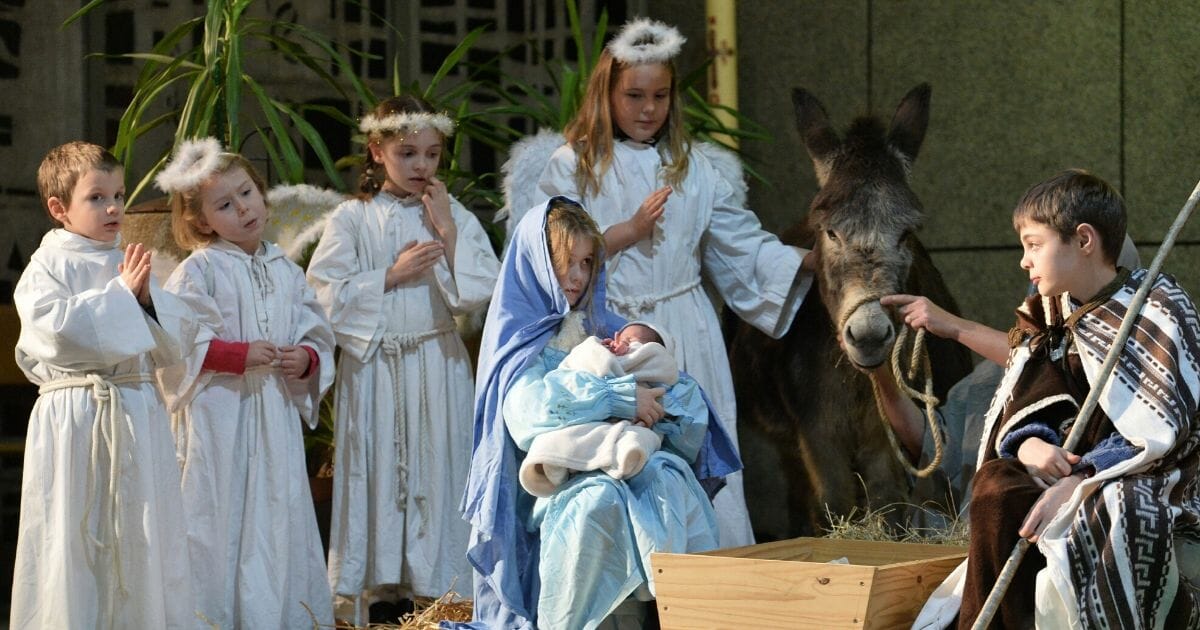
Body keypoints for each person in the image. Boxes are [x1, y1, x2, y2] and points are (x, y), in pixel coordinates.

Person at [536, 17, 814, 548]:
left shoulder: (694, 168)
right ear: (606, 93)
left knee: (694, 457)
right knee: (623, 457)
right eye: (634, 95)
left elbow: (741, 246)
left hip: (686, 331)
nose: (648, 109)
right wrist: (626, 233)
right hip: (608, 330)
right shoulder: (572, 167)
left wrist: (806, 261)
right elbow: (552, 255)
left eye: (660, 96)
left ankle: (706, 581)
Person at [897, 169, 1200, 628]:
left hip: (1147, 471)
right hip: (1070, 462)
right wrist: (1030, 444)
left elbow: (1160, 426)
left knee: (1116, 509)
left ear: (1083, 240)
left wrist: (1079, 482)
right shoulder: (1050, 313)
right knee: (998, 484)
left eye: (1034, 245)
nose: (1024, 261)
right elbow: (1029, 386)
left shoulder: (1157, 307)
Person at [458, 197, 741, 629]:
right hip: (555, 479)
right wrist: (617, 399)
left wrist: (660, 410)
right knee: (595, 503)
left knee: (671, 483)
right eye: (564, 263)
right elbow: (529, 414)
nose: (576, 277)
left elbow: (682, 400)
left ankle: (679, 617)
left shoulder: (609, 330)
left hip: (625, 463)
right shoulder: (519, 342)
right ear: (536, 265)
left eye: (587, 262)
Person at [305, 95, 500, 623]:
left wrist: (448, 231)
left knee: (438, 477)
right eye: (408, 153)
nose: (421, 166)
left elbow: (480, 294)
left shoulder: (450, 213)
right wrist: (389, 275)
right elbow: (320, 296)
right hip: (377, 370)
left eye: (433, 155)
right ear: (377, 151)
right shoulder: (353, 217)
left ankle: (443, 600)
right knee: (379, 481)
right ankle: (377, 603)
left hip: (438, 364)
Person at [10, 141, 196, 628]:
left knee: (142, 531)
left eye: (118, 194)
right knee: (73, 532)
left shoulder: (131, 259)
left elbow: (176, 337)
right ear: (59, 209)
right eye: (96, 197)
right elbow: (53, 334)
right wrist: (124, 299)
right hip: (76, 414)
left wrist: (145, 301)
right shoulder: (46, 266)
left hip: (135, 408)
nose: (114, 206)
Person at [155, 138, 336, 628]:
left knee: (275, 519)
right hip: (222, 420)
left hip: (273, 417)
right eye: (224, 205)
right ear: (201, 221)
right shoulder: (200, 272)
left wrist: (305, 358)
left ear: (262, 193)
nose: (242, 209)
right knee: (221, 522)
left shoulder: (284, 270)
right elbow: (175, 345)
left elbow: (317, 331)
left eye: (247, 194)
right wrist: (237, 354)